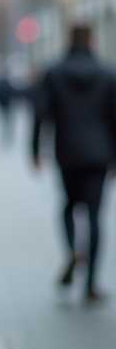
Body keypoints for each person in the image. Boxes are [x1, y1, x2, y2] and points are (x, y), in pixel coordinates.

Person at [31, 24, 116, 303]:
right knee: (94, 216)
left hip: (67, 151)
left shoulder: (55, 72)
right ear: (92, 41)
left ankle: (72, 251)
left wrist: (34, 150)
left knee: (68, 205)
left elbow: (40, 113)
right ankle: (91, 283)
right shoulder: (106, 73)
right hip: (99, 154)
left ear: (70, 40)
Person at [0, 71, 16, 146]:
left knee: (4, 119)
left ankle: (5, 132)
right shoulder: (9, 84)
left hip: (2, 104)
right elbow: (12, 93)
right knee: (8, 119)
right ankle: (8, 132)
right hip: (7, 104)